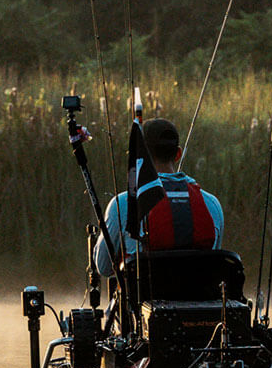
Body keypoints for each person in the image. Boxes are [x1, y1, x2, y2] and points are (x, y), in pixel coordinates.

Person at [94, 118, 224, 276]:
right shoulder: (212, 204)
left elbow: (104, 267)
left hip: (143, 299)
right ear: (178, 154)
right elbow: (213, 263)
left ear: (139, 156)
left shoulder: (122, 204)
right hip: (200, 298)